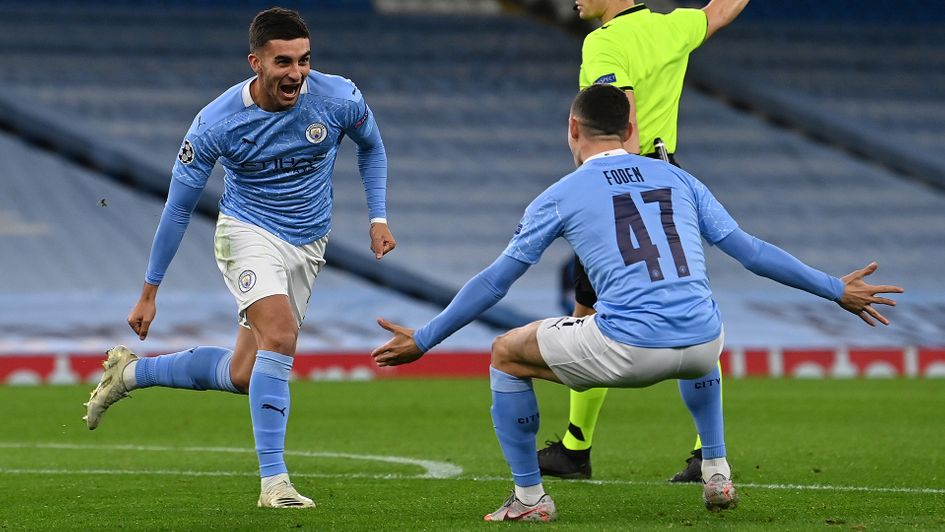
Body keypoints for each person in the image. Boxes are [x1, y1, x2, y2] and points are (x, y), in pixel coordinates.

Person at [370, 84, 901, 522]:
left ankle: (530, 499)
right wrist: (836, 289)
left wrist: (425, 338)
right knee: (696, 317)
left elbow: (495, 282)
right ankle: (715, 471)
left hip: (626, 348)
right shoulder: (680, 178)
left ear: (573, 131)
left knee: (507, 352)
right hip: (703, 345)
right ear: (631, 132)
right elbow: (754, 253)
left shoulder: (560, 194)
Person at [83, 7, 396, 509]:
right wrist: (149, 290)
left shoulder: (338, 97)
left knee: (245, 374)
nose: (296, 73)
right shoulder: (216, 122)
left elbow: (372, 148)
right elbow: (179, 206)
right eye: (283, 62)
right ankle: (275, 484)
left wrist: (377, 217)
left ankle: (131, 374)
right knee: (281, 335)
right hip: (245, 233)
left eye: (304, 60)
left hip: (308, 242)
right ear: (256, 62)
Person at [541, 0, 752, 484]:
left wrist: (607, 181)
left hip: (626, 189)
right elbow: (718, 12)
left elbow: (623, 120)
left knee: (589, 310)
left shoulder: (605, 42)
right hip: (671, 182)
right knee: (691, 305)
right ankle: (707, 451)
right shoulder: (674, 26)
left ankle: (576, 447)